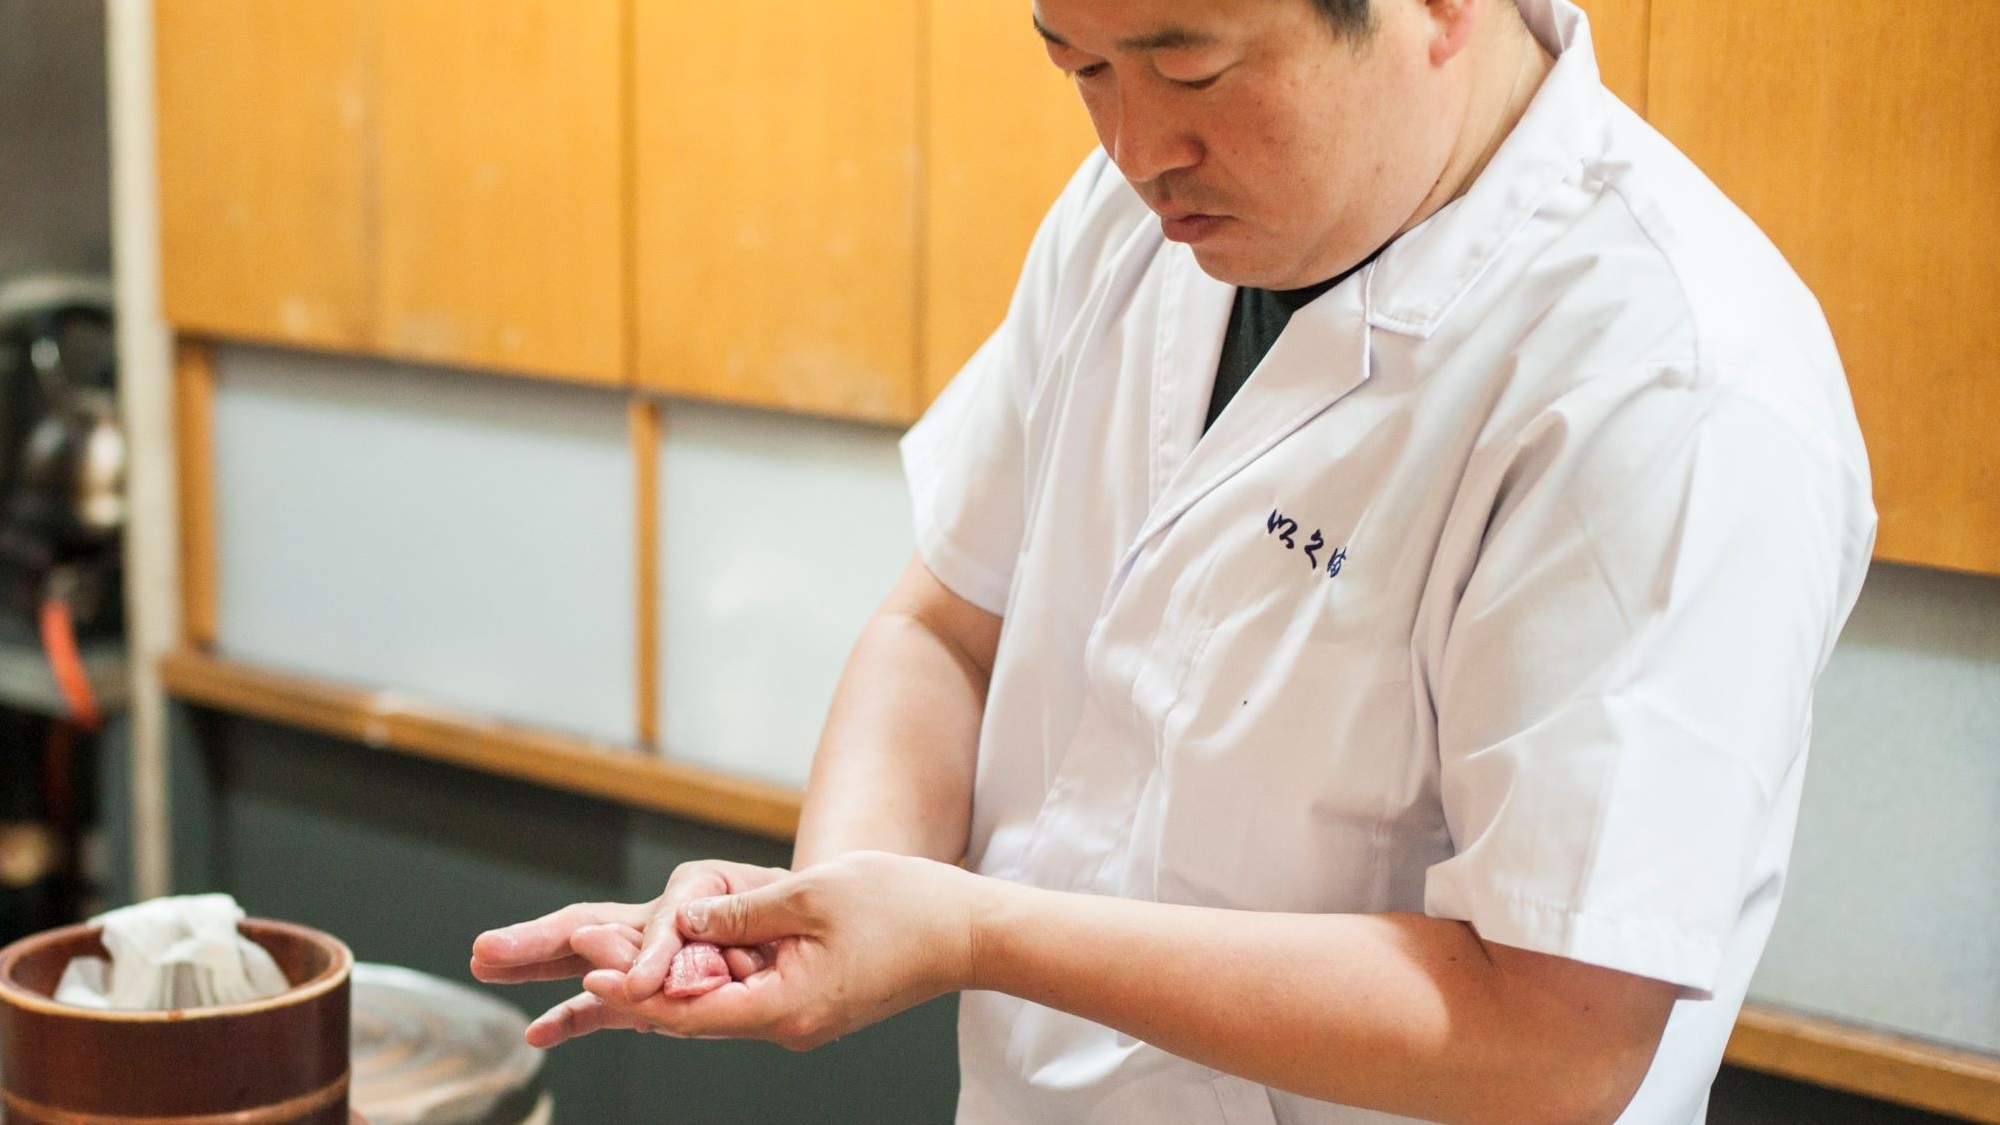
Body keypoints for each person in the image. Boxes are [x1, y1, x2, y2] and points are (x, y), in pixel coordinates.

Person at [472, 0, 1877, 1120]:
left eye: (1191, 70)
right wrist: (825, 898)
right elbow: (948, 626)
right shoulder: (1128, 226)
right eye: (1078, 65)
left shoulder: (1671, 380)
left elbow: (1555, 1039)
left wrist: (972, 930)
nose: (1139, 148)